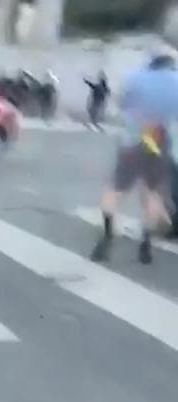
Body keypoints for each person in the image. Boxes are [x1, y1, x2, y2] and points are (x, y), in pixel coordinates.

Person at [92, 54, 178, 265]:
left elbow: (121, 104)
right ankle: (146, 242)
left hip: (134, 138)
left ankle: (107, 235)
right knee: (153, 194)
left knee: (115, 189)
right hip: (160, 139)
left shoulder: (134, 77)